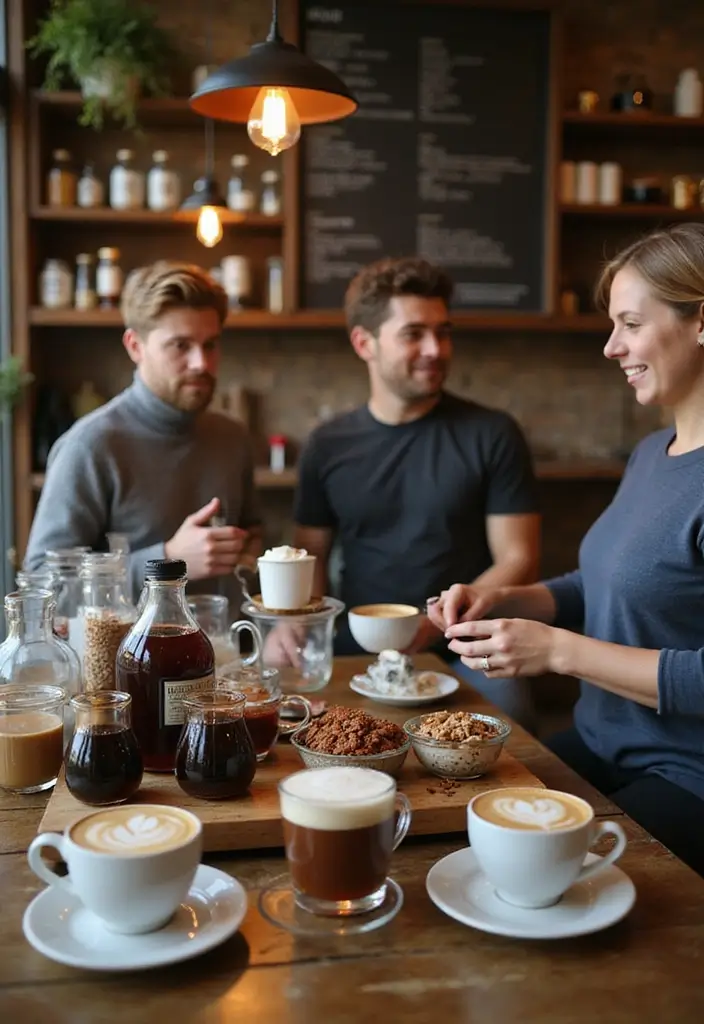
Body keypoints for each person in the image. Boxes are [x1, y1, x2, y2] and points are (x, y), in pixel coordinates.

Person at [429, 222, 704, 876]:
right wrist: (507, 599)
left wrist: (555, 651)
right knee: (451, 829)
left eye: (630, 324)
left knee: (537, 881)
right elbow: (605, 582)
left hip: (687, 774)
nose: (612, 347)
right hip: (605, 744)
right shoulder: (651, 454)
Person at [290, 256, 541, 729]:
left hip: (466, 646)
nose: (436, 348)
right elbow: (312, 558)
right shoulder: (327, 444)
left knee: (514, 727)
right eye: (413, 334)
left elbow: (519, 558)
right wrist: (303, 631)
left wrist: (438, 624)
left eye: (443, 332)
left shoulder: (492, 433)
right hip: (357, 646)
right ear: (364, 343)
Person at [25, 260, 262, 610]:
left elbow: (252, 536)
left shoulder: (233, 437)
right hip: (124, 662)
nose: (201, 363)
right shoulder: (91, 446)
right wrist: (168, 563)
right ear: (135, 346)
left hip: (222, 654)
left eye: (210, 345)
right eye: (180, 346)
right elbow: (44, 585)